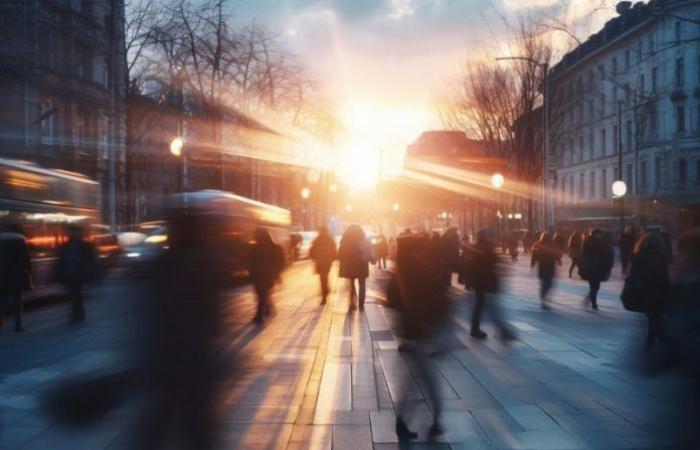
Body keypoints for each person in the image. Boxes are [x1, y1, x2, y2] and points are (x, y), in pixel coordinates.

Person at [393, 233, 448, 440]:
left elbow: (393, 299)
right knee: (427, 382)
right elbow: (439, 301)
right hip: (424, 334)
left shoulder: (400, 271)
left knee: (416, 381)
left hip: (410, 333)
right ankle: (435, 423)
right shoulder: (425, 271)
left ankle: (412, 422)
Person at [463, 228, 515, 340]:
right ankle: (502, 332)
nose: (494, 238)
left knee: (481, 307)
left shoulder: (477, 248)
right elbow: (487, 264)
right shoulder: (485, 249)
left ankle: (475, 329)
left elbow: (471, 267)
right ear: (486, 237)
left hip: (480, 283)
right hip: (486, 284)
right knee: (492, 308)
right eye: (492, 236)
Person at [629, 232, 671, 350]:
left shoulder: (638, 255)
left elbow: (633, 274)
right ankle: (657, 339)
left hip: (645, 290)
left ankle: (654, 340)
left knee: (652, 316)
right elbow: (665, 276)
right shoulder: (661, 256)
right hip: (659, 290)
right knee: (655, 316)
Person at [56, 226, 96, 324]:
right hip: (69, 274)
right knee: (75, 295)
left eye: (75, 232)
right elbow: (61, 260)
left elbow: (90, 259)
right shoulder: (67, 245)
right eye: (72, 232)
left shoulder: (84, 245)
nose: (73, 234)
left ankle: (75, 316)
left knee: (75, 295)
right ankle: (80, 314)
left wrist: (87, 270)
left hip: (78, 274)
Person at [249, 228, 286, 323]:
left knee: (262, 294)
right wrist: (277, 274)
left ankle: (259, 316)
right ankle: (268, 308)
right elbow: (281, 262)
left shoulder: (254, 248)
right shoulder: (275, 248)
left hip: (262, 275)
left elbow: (250, 262)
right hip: (266, 275)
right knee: (263, 294)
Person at [0, 225, 32, 333]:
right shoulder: (20, 241)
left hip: (3, 276)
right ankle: (17, 326)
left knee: (2, 302)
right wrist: (29, 273)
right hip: (17, 276)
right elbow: (26, 260)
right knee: (18, 302)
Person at [338, 224, 372, 311]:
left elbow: (340, 253)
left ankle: (352, 303)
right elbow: (369, 251)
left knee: (351, 284)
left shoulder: (345, 240)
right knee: (362, 284)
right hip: (362, 266)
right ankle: (361, 303)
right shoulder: (363, 240)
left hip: (350, 266)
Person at [578, 229, 614, 310]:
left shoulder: (591, 242)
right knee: (595, 286)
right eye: (599, 234)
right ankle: (593, 303)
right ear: (595, 234)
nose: (600, 236)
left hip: (595, 268)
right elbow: (587, 254)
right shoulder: (593, 242)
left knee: (594, 286)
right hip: (594, 268)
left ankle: (591, 300)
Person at [531, 232, 562, 309]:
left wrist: (533, 263)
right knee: (547, 283)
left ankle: (543, 298)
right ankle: (543, 298)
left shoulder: (540, 245)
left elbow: (534, 255)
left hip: (545, 267)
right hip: (548, 266)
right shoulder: (543, 245)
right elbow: (556, 254)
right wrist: (559, 261)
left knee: (546, 284)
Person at [309, 226, 337, 305]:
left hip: (320, 261)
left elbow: (311, 251)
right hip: (327, 262)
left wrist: (314, 258)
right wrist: (333, 258)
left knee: (322, 278)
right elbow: (334, 250)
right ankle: (326, 290)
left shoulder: (317, 240)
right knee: (326, 275)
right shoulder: (330, 240)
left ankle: (324, 295)